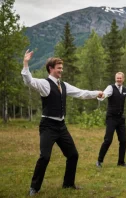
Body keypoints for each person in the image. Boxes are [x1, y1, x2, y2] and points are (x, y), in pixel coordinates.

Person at [22, 50, 104, 196]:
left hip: (61, 126)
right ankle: (34, 187)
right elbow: (29, 81)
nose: (61, 70)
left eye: (61, 68)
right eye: (58, 68)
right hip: (48, 126)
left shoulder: (64, 85)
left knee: (73, 155)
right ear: (50, 69)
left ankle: (68, 184)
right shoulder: (44, 84)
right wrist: (26, 63)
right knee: (45, 157)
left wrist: (96, 93)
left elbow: (81, 93)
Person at [96, 72, 126, 168]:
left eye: (120, 78)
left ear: (123, 79)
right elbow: (104, 95)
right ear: (115, 79)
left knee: (123, 140)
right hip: (111, 118)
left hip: (121, 118)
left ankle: (121, 162)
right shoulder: (110, 88)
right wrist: (101, 96)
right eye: (117, 78)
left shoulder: (125, 90)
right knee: (108, 140)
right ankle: (99, 161)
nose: (119, 80)